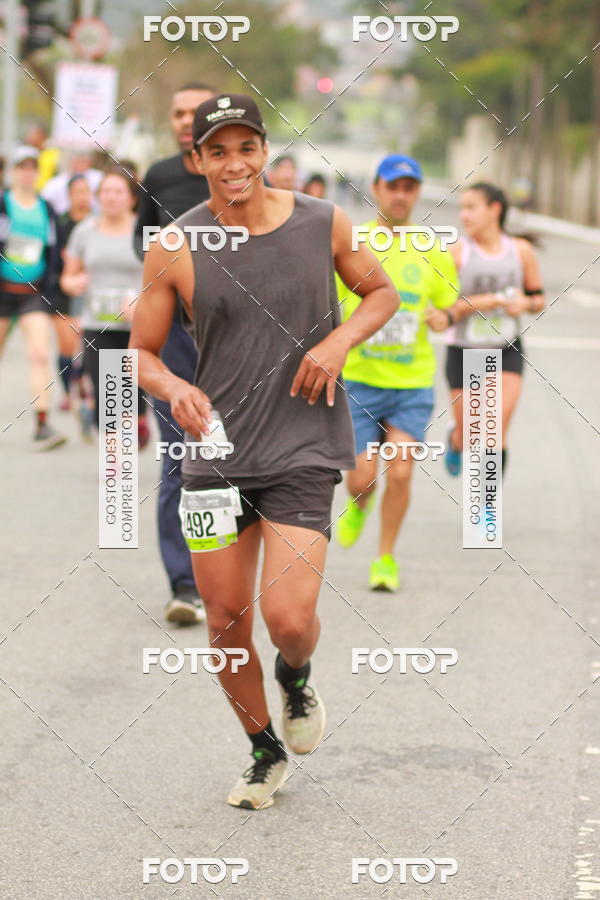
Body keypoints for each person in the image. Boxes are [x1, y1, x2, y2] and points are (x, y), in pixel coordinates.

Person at [130, 93, 397, 809]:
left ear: (265, 152)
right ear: (198, 160)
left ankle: (295, 679)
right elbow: (141, 354)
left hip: (303, 445)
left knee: (287, 620)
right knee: (222, 619)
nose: (234, 163)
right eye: (217, 151)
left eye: (246, 147)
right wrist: (174, 387)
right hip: (214, 457)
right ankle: (261, 749)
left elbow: (380, 293)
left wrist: (339, 340)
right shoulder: (175, 243)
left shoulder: (322, 223)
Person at [335, 154, 459, 591]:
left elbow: (449, 303)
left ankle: (385, 559)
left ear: (417, 192)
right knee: (362, 478)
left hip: (411, 384)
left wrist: (445, 317)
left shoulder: (432, 248)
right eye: (394, 186)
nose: (401, 195)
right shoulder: (353, 243)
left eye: (410, 187)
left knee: (402, 472)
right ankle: (359, 503)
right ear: (377, 189)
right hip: (361, 381)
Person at [134, 81, 216, 626]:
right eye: (178, 111)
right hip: (177, 342)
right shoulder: (160, 176)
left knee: (230, 457)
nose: (186, 119)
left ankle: (223, 572)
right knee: (179, 458)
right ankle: (185, 584)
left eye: (196, 111)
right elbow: (140, 243)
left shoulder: (240, 177)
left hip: (238, 343)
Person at [443, 182, 545, 476]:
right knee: (470, 436)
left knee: (494, 432)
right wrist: (475, 303)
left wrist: (524, 304)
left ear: (494, 209)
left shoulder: (520, 251)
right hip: (464, 352)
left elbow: (538, 298)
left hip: (506, 350)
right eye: (462, 208)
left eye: (471, 208)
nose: (464, 215)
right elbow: (442, 311)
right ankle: (456, 439)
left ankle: (486, 509)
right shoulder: (457, 253)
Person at [60, 167, 149, 443]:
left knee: (134, 390)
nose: (111, 197)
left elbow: (162, 277)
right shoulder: (85, 232)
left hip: (138, 323)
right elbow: (68, 276)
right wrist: (73, 283)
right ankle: (114, 458)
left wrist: (141, 299)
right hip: (98, 323)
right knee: (107, 391)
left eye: (118, 191)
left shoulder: (145, 232)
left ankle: (139, 418)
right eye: (106, 191)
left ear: (131, 198)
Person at [0, 146, 66, 449]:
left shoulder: (46, 208)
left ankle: (42, 424)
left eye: (32, 168)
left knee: (39, 353)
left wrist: (53, 281)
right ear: (11, 172)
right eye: (22, 167)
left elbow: (53, 249)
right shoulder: (3, 204)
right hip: (3, 291)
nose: (28, 172)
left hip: (32, 293)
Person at [52, 174, 92, 414]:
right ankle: (68, 391)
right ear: (69, 195)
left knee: (89, 344)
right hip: (63, 290)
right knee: (67, 345)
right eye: (77, 191)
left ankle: (84, 384)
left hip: (91, 291)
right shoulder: (61, 223)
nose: (82, 196)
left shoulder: (97, 222)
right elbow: (53, 257)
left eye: (86, 191)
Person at [42, 151, 103, 216]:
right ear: (70, 162)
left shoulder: (99, 178)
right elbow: (44, 201)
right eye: (78, 161)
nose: (81, 165)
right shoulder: (55, 183)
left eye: (84, 161)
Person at [25, 124, 60, 190]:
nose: (31, 137)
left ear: (43, 136)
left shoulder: (53, 154)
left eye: (34, 134)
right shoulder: (26, 154)